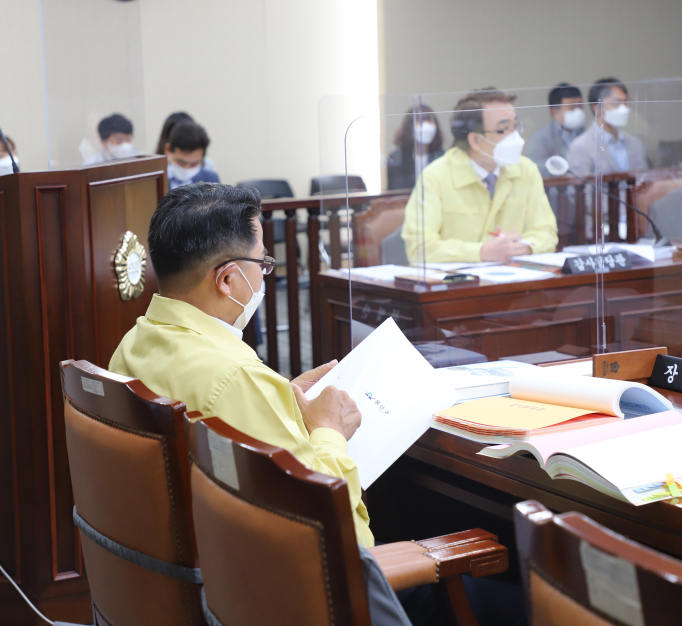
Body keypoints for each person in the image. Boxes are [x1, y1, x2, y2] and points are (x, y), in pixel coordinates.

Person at [108, 182, 371, 547]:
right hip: (291, 576)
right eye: (262, 263)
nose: (264, 274)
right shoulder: (236, 378)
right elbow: (327, 522)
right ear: (228, 279)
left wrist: (279, 400)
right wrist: (329, 430)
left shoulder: (131, 343)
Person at [400, 88, 558, 264]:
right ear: (475, 140)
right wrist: (480, 252)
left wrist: (523, 247)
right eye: (503, 129)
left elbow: (546, 232)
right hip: (457, 279)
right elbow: (419, 249)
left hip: (514, 275)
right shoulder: (435, 177)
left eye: (515, 126)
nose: (514, 136)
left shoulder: (526, 170)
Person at [566, 77, 648, 176]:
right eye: (615, 103)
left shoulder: (636, 144)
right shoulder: (580, 146)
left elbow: (644, 179)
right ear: (597, 108)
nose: (623, 108)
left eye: (625, 102)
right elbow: (580, 184)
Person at [525, 83, 586, 175]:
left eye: (580, 106)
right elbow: (536, 171)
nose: (578, 111)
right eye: (571, 107)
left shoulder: (586, 134)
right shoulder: (541, 139)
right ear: (555, 112)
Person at [386, 107, 445, 190]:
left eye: (429, 120)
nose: (426, 125)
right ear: (410, 126)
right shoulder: (395, 159)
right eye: (420, 120)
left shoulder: (443, 157)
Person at [164, 120, 220, 189]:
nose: (186, 169)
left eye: (194, 164)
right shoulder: (155, 179)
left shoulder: (211, 179)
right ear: (168, 150)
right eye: (181, 162)